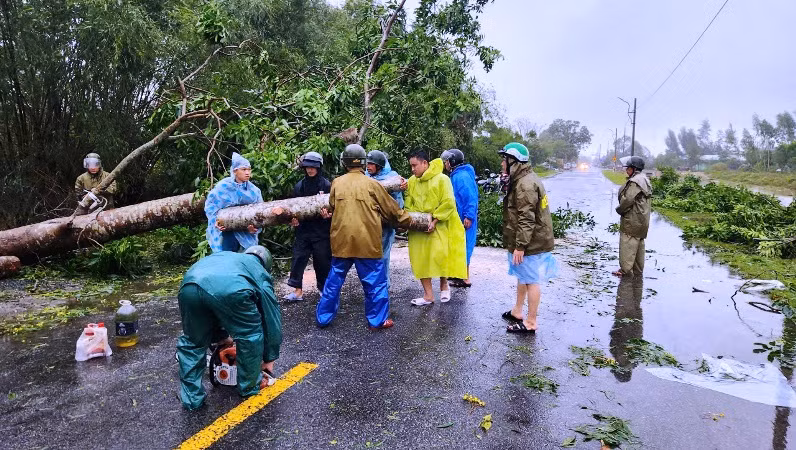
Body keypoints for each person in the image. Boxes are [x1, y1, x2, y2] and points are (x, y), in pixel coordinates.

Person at [316, 144, 412, 329]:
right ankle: (377, 320)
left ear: (344, 162)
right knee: (375, 283)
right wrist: (408, 221)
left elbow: (332, 206)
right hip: (367, 243)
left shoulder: (337, 183)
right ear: (363, 162)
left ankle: (323, 318)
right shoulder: (373, 184)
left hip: (341, 242)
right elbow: (392, 211)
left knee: (333, 282)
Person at [176, 245, 282, 410]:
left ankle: (192, 399)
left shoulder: (228, 255)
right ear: (265, 264)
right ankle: (249, 386)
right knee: (250, 335)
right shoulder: (260, 272)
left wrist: (221, 337)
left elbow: (210, 299)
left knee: (192, 343)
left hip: (189, 285)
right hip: (231, 290)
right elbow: (271, 319)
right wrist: (269, 357)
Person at [499, 142, 558, 333]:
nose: (502, 163)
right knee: (522, 276)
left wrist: (520, 246)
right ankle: (517, 311)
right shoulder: (522, 179)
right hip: (528, 239)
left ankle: (531, 322)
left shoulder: (525, 185)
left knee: (531, 279)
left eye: (504, 159)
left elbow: (527, 219)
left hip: (531, 241)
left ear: (513, 161)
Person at [402, 150, 467, 305]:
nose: (412, 169)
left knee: (440, 256)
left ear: (425, 163)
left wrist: (435, 219)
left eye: (415, 165)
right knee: (421, 259)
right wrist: (415, 220)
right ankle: (428, 295)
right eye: (411, 166)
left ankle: (444, 285)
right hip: (419, 226)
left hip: (441, 223)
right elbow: (408, 203)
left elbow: (448, 202)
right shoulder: (412, 181)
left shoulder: (442, 179)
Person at [284, 152, 333, 302]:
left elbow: (334, 209)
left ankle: (323, 289)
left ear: (319, 167)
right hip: (303, 231)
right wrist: (294, 220)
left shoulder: (327, 185)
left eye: (313, 167)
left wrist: (327, 216)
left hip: (321, 231)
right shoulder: (299, 186)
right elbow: (293, 208)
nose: (310, 170)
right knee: (298, 259)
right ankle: (297, 291)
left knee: (322, 261)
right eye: (307, 167)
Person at [204, 152, 263, 253]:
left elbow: (261, 213)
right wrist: (216, 222)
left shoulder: (254, 191)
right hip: (227, 232)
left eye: (249, 169)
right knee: (228, 261)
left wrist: (255, 228)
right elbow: (211, 207)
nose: (247, 172)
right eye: (244, 169)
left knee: (245, 262)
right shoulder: (223, 187)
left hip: (247, 234)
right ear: (235, 171)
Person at [365, 150, 404, 286]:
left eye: (371, 164)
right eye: (367, 163)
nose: (368, 166)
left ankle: (382, 282)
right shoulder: (365, 177)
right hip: (368, 223)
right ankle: (372, 281)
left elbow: (398, 202)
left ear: (379, 166)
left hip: (385, 224)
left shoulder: (392, 178)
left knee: (383, 254)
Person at [441, 149, 478, 288]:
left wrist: (469, 216)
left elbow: (470, 197)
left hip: (465, 218)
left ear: (452, 161)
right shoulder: (457, 175)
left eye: (446, 161)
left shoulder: (461, 176)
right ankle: (458, 273)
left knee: (465, 246)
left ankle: (465, 278)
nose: (445, 164)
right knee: (458, 246)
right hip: (459, 217)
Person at [612, 156, 652, 277]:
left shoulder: (635, 181)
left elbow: (628, 200)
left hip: (633, 219)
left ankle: (625, 271)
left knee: (628, 244)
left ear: (634, 169)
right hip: (642, 219)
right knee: (639, 244)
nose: (626, 170)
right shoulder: (644, 179)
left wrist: (619, 210)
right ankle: (637, 271)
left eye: (628, 168)